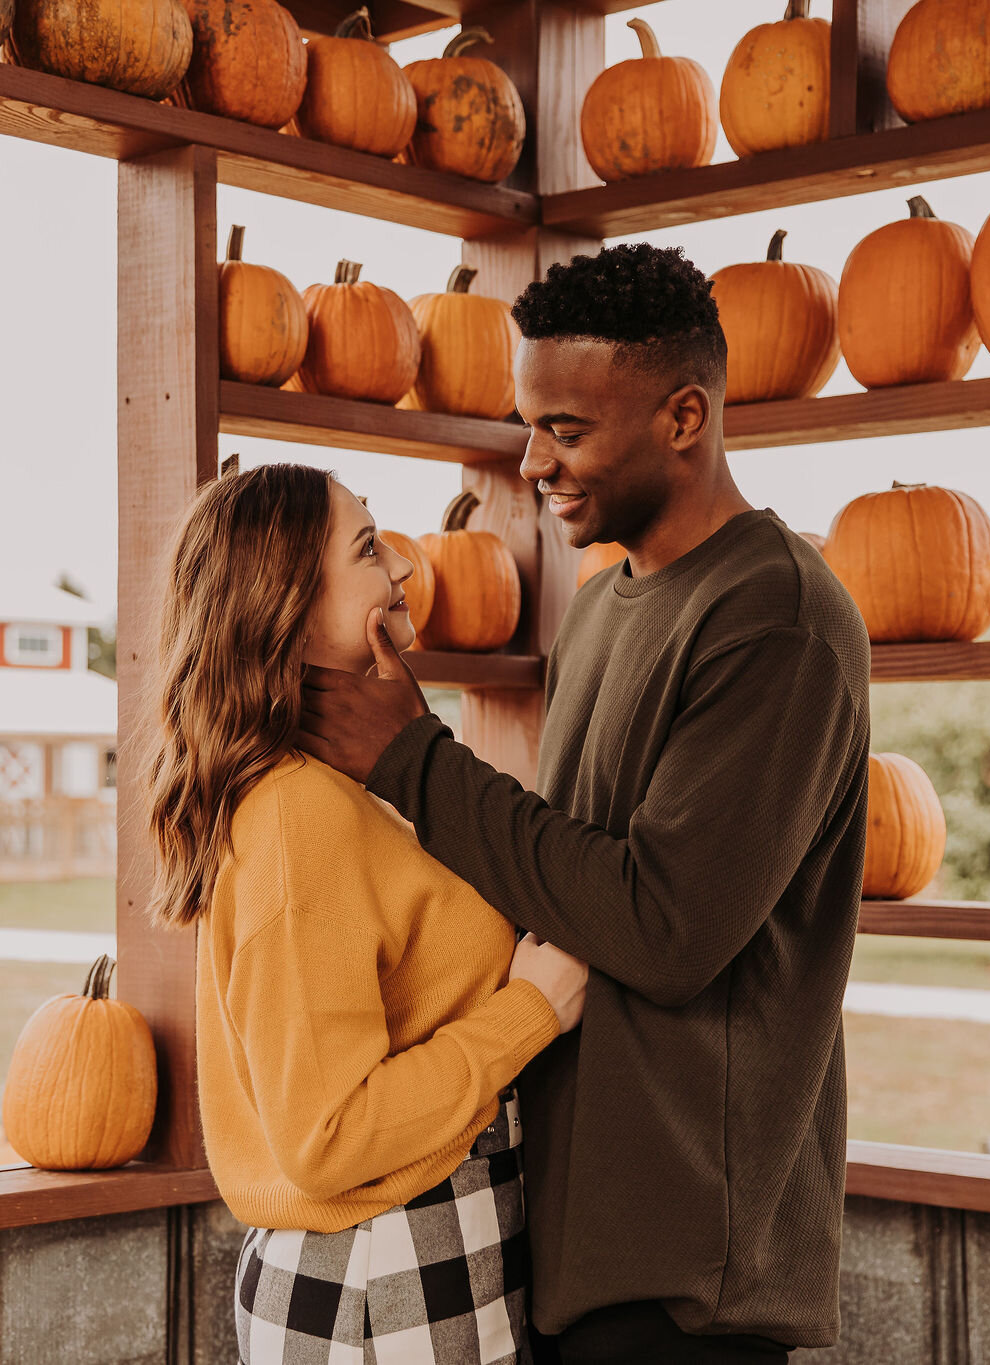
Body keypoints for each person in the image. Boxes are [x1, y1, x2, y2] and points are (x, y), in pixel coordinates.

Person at [298, 243, 872, 1363]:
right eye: (529, 426)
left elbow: (662, 930)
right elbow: (562, 880)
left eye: (566, 430)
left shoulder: (779, 620)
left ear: (683, 416)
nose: (533, 463)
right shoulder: (606, 603)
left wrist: (414, 759)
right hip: (571, 1225)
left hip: (685, 1271)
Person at [145, 461, 590, 1365]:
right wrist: (530, 1011)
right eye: (365, 548)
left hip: (423, 1244)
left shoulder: (354, 789)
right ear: (290, 610)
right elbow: (327, 1134)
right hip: (380, 1268)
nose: (403, 565)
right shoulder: (295, 814)